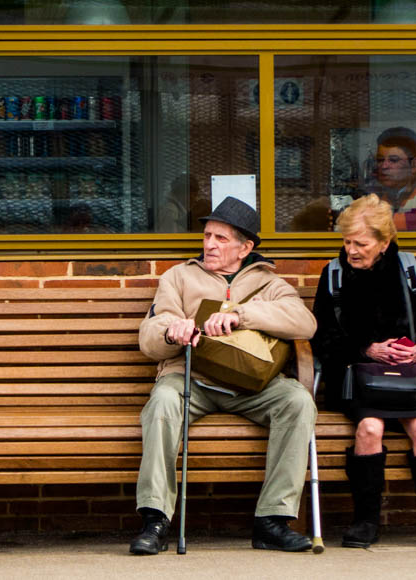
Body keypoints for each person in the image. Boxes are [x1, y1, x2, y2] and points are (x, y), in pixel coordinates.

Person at [131, 196, 318, 555]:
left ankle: (272, 521)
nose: (209, 245)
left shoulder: (269, 282)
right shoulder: (179, 277)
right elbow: (149, 336)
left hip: (253, 384)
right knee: (162, 403)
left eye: (221, 239)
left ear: (245, 248)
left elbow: (304, 322)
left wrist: (241, 315)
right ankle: (155, 519)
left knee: (297, 402)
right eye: (207, 236)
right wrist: (173, 331)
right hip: (191, 379)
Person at [310, 194, 416, 548]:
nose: (351, 250)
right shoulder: (333, 276)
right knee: (369, 428)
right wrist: (367, 348)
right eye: (346, 242)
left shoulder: (410, 270)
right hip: (358, 379)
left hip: (408, 378)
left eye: (360, 243)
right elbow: (323, 337)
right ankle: (365, 521)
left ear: (384, 241)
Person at [373, 127, 416, 231]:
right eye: (380, 160)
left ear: (415, 165)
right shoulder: (382, 197)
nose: (384, 166)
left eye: (393, 160)